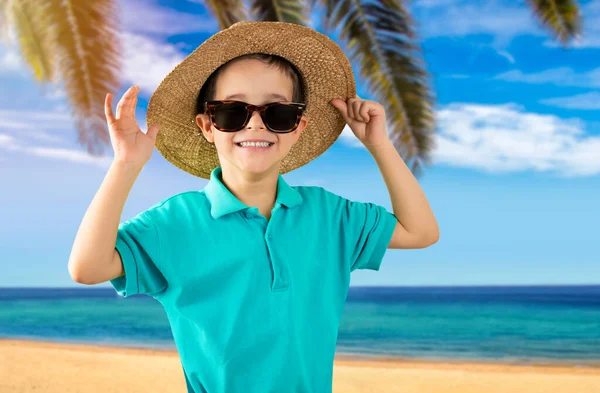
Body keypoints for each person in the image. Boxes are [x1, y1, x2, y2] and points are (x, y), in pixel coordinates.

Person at [68, 21, 439, 393]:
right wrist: (125, 165)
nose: (255, 126)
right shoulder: (173, 223)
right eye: (233, 112)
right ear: (208, 125)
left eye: (278, 113)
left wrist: (379, 145)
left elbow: (420, 231)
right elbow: (87, 268)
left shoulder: (330, 216)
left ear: (298, 126)